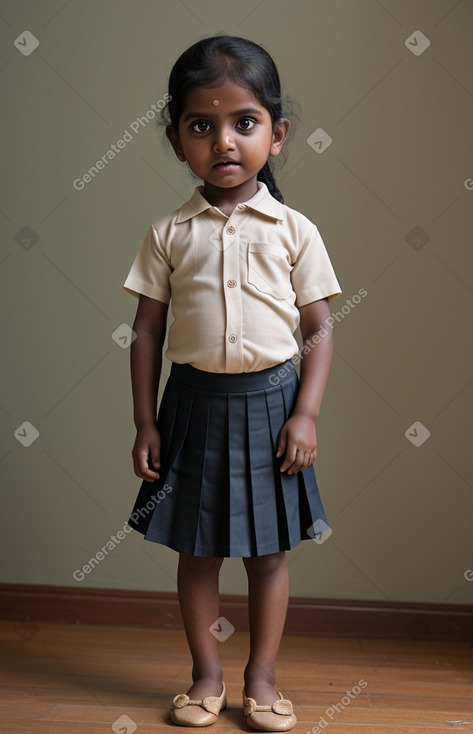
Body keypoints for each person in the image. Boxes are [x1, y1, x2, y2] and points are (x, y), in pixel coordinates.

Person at [123, 35, 341, 732]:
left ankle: (262, 680)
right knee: (198, 551)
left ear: (275, 135)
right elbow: (147, 333)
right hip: (189, 405)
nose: (223, 141)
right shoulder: (167, 234)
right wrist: (145, 422)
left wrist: (304, 414)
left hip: (272, 406)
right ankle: (205, 677)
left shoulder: (294, 230)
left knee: (269, 554)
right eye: (201, 125)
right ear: (175, 139)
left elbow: (319, 329)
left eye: (243, 122)